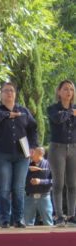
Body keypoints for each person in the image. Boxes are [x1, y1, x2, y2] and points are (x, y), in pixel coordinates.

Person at [0, 82, 38, 228]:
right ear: (1, 94)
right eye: (6, 91)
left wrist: (33, 146)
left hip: (21, 156)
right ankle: (5, 220)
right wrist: (7, 114)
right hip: (1, 155)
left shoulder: (24, 111)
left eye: (12, 91)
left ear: (15, 94)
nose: (9, 93)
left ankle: (18, 219)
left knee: (18, 188)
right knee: (4, 188)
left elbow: (33, 128)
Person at [46, 79, 76, 226]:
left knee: (73, 184)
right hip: (57, 148)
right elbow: (58, 119)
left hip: (74, 148)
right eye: (65, 89)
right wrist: (70, 112)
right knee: (58, 184)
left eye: (71, 89)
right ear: (59, 92)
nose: (69, 92)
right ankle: (58, 216)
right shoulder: (52, 109)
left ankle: (71, 216)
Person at [24, 147, 53, 226]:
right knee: (27, 223)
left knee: (48, 222)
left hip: (44, 197)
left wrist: (40, 181)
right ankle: (28, 238)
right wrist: (27, 169)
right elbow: (19, 179)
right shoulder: (26, 164)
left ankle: (50, 238)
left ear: (40, 153)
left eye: (34, 152)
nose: (31, 154)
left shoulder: (49, 164)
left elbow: (54, 181)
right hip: (29, 197)